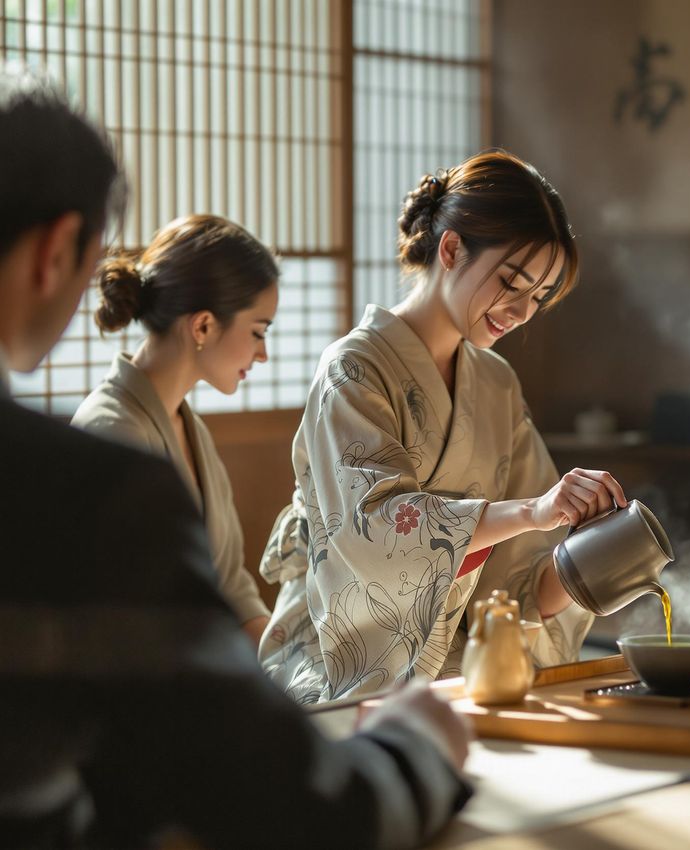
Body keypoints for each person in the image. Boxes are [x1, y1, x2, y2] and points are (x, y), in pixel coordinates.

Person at [0, 72, 471, 848]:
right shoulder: (93, 476)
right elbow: (287, 810)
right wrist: (416, 748)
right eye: (257, 331)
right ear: (56, 250)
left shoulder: (176, 435)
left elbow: (217, 597)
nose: (263, 352)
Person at [260, 150, 626, 703]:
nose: (521, 312)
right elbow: (372, 528)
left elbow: (521, 578)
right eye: (511, 282)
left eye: (537, 298)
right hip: (346, 659)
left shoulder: (497, 384)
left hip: (460, 662)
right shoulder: (353, 368)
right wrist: (530, 512)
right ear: (451, 248)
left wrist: (593, 551)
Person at [72, 214, 275, 646]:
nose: (263, 355)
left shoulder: (189, 427)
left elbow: (232, 585)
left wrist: (282, 662)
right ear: (202, 326)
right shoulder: (110, 430)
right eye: (258, 332)